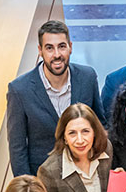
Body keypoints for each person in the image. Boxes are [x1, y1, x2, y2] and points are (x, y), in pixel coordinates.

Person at [6, 20, 105, 176]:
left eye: (62, 46)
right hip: (44, 179)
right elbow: (17, 147)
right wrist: (28, 190)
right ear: (40, 50)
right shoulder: (20, 90)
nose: (57, 55)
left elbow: (100, 125)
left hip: (85, 174)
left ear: (70, 47)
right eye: (49, 48)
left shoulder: (87, 77)